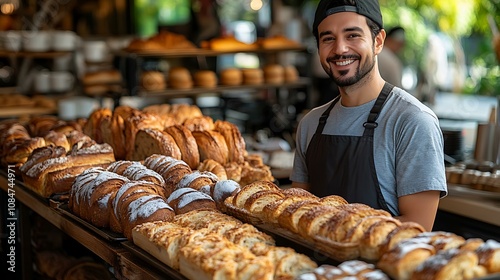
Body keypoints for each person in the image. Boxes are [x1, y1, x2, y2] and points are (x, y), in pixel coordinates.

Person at [290, 0, 447, 231]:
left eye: (352, 35)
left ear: (378, 41)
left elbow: (417, 228)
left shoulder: (412, 121)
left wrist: (336, 234)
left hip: (377, 266)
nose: (340, 49)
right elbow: (297, 214)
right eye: (328, 38)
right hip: (312, 266)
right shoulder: (310, 124)